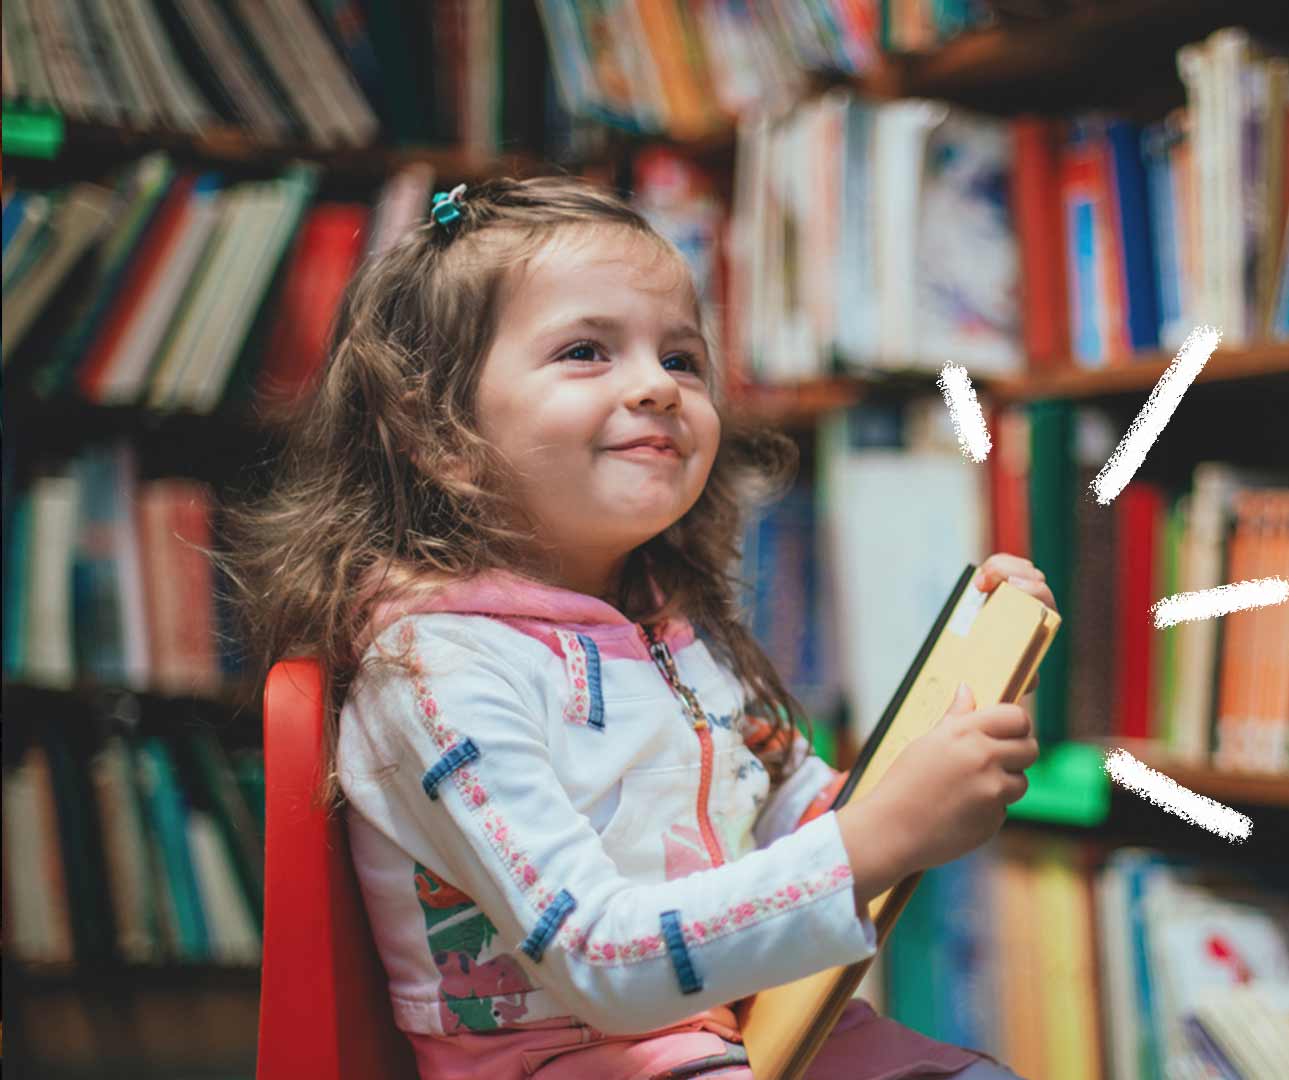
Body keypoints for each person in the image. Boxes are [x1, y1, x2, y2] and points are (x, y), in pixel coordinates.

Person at [227, 176, 1053, 1079]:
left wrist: (948, 730)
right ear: (440, 432)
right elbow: (598, 962)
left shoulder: (671, 622)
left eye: (682, 359)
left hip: (743, 1026)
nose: (657, 387)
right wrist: (876, 838)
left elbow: (788, 818)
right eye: (586, 351)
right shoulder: (434, 670)